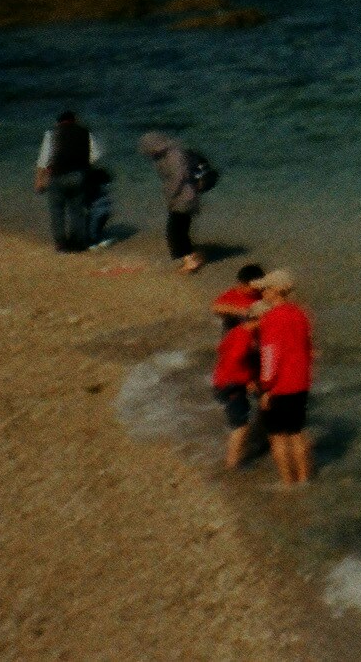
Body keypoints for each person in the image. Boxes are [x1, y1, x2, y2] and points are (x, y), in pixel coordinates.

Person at [252, 268, 314, 486]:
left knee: (278, 437)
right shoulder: (300, 313)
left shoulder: (270, 318)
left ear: (277, 291)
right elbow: (309, 349)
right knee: (297, 432)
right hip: (301, 381)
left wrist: (266, 387)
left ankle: (288, 482)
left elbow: (270, 354)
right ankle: (306, 480)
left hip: (280, 384)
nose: (263, 293)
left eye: (266, 289)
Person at [211, 268, 265, 471]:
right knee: (239, 426)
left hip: (241, 360)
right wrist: (242, 312)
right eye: (255, 286)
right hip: (236, 367)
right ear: (243, 284)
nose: (258, 289)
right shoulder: (234, 296)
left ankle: (260, 436)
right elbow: (216, 307)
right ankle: (233, 465)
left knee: (265, 399)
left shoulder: (262, 295)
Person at [140, 131, 209, 272]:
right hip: (184, 195)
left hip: (184, 196)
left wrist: (171, 194)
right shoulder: (166, 154)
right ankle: (193, 256)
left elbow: (180, 176)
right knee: (181, 228)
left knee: (174, 231)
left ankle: (189, 260)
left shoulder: (174, 154)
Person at [33, 111, 101, 252]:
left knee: (57, 211)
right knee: (77, 211)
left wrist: (39, 181)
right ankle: (78, 243)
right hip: (78, 176)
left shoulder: (52, 133)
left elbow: (43, 160)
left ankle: (61, 244)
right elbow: (95, 156)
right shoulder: (85, 133)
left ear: (58, 122)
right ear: (74, 120)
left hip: (57, 175)